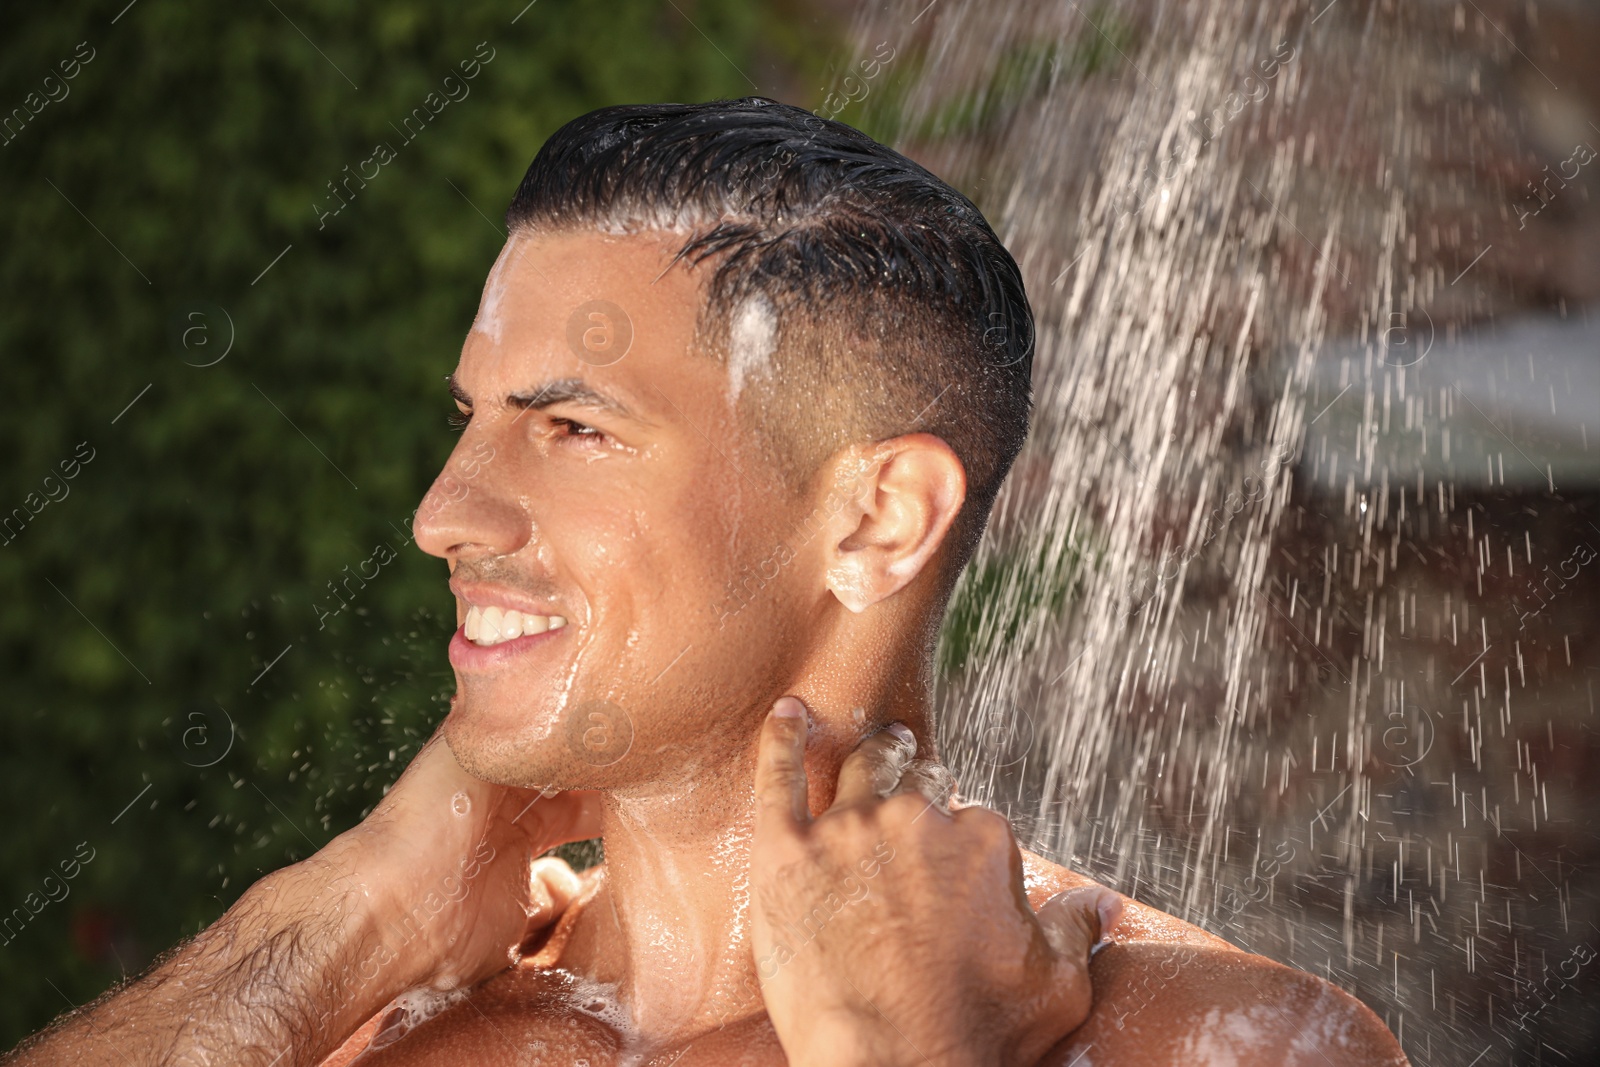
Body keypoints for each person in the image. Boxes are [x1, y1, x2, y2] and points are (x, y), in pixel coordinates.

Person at [6, 97, 1406, 1066]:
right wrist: (344, 917)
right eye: (470, 421)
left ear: (878, 517)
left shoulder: (1223, 1049)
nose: (443, 515)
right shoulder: (351, 1013)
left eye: (572, 429)